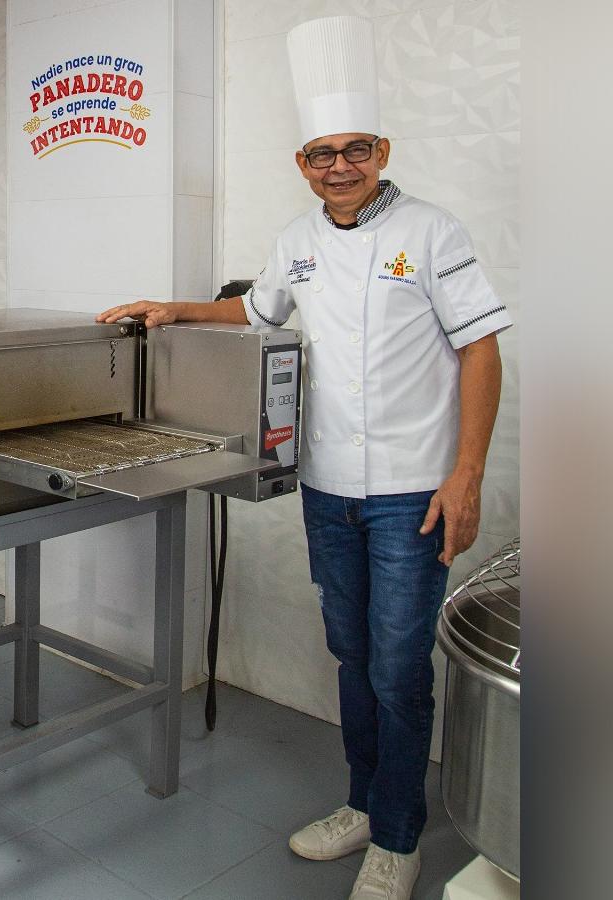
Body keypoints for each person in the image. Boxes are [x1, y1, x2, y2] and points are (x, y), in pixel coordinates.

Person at [97, 15, 509, 900]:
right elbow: (258, 312)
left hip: (414, 493)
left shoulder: (433, 232)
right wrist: (174, 308)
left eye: (356, 149)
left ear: (382, 151)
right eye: (323, 154)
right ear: (303, 163)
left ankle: (397, 838)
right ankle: (363, 802)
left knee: (399, 668)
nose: (339, 166)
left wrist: (467, 474)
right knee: (352, 655)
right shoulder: (297, 240)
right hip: (328, 489)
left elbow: (481, 348)